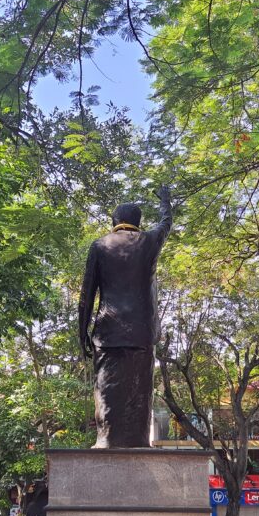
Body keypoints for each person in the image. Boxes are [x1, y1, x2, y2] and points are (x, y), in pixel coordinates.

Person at [78, 185, 173, 447]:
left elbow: (87, 294)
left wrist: (81, 332)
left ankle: (106, 441)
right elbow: (166, 223)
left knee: (107, 392)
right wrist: (165, 200)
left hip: (108, 333)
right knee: (139, 395)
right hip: (141, 333)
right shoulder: (150, 241)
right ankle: (138, 443)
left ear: (114, 222)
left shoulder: (99, 246)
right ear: (138, 222)